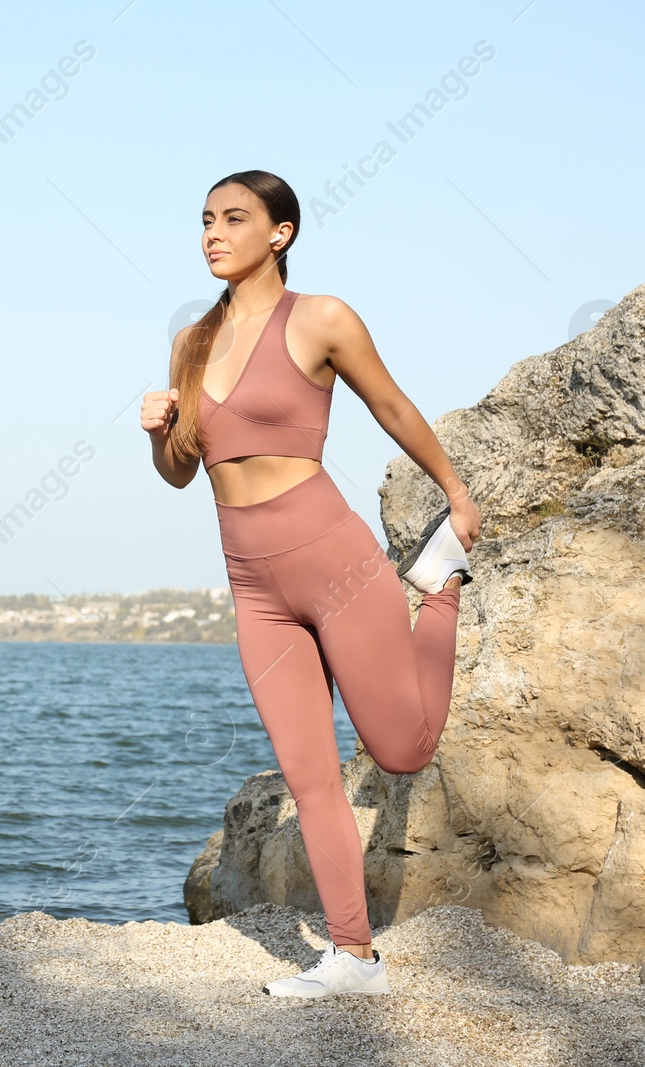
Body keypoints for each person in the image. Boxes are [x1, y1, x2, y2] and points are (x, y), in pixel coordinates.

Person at [141, 170, 481, 998]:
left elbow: (391, 405)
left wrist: (456, 491)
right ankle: (354, 956)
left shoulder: (321, 318)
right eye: (205, 221)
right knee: (309, 775)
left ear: (280, 233)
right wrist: (157, 433)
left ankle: (442, 588)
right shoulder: (191, 342)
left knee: (402, 749)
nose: (211, 234)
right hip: (251, 580)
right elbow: (182, 473)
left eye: (232, 219)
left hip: (331, 556)